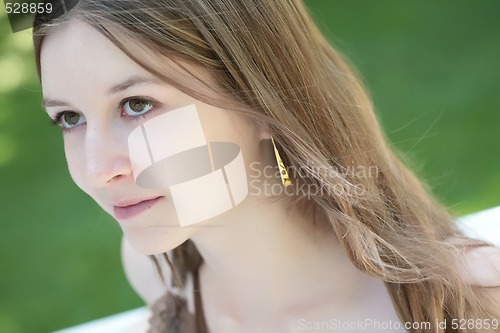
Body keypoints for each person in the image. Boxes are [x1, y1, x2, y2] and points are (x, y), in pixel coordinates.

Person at [32, 0, 499, 332]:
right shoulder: (155, 271)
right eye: (69, 118)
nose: (96, 170)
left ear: (261, 100)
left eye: (136, 105)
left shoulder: (460, 304)